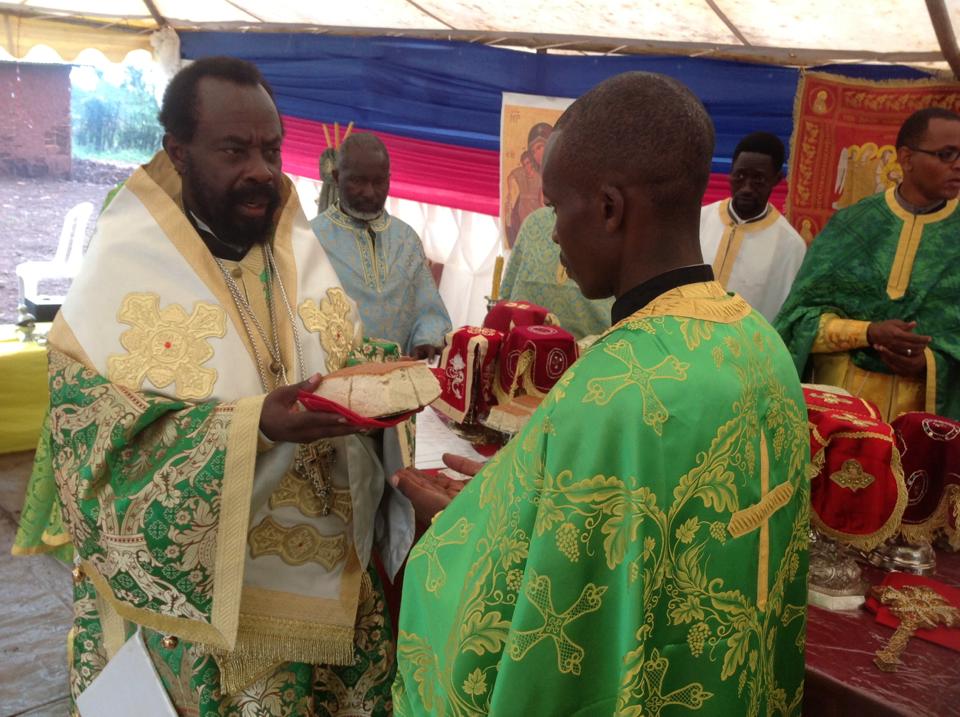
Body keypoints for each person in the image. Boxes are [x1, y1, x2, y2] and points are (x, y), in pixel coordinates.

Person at [391, 72, 810, 715]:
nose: (553, 233)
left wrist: (462, 528)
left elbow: (539, 608)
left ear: (610, 208)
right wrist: (512, 497)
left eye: (558, 207)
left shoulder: (615, 385)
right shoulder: (761, 344)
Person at [12, 57, 411, 715]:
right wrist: (255, 425)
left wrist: (390, 376)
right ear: (179, 151)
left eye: (271, 149)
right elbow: (95, 442)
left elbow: (338, 348)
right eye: (234, 150)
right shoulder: (126, 268)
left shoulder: (290, 243)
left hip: (328, 585)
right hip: (204, 615)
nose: (261, 169)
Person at [775, 107, 960, 422]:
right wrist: (868, 333)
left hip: (920, 423)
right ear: (906, 158)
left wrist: (929, 363)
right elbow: (797, 322)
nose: (957, 165)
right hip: (839, 415)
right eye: (946, 154)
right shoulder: (852, 225)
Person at [310, 133, 451, 360]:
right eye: (358, 181)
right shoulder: (312, 238)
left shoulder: (406, 239)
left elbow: (428, 307)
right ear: (336, 177)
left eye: (378, 182)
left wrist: (427, 338)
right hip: (331, 375)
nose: (369, 192)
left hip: (397, 374)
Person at [699, 131, 807, 321]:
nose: (747, 188)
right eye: (740, 176)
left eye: (758, 179)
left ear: (776, 179)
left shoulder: (790, 246)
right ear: (730, 173)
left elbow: (783, 316)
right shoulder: (699, 220)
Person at [499, 205, 612, 340]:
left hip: (596, 348)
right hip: (523, 345)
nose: (555, 236)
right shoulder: (533, 222)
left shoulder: (604, 224)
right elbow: (506, 298)